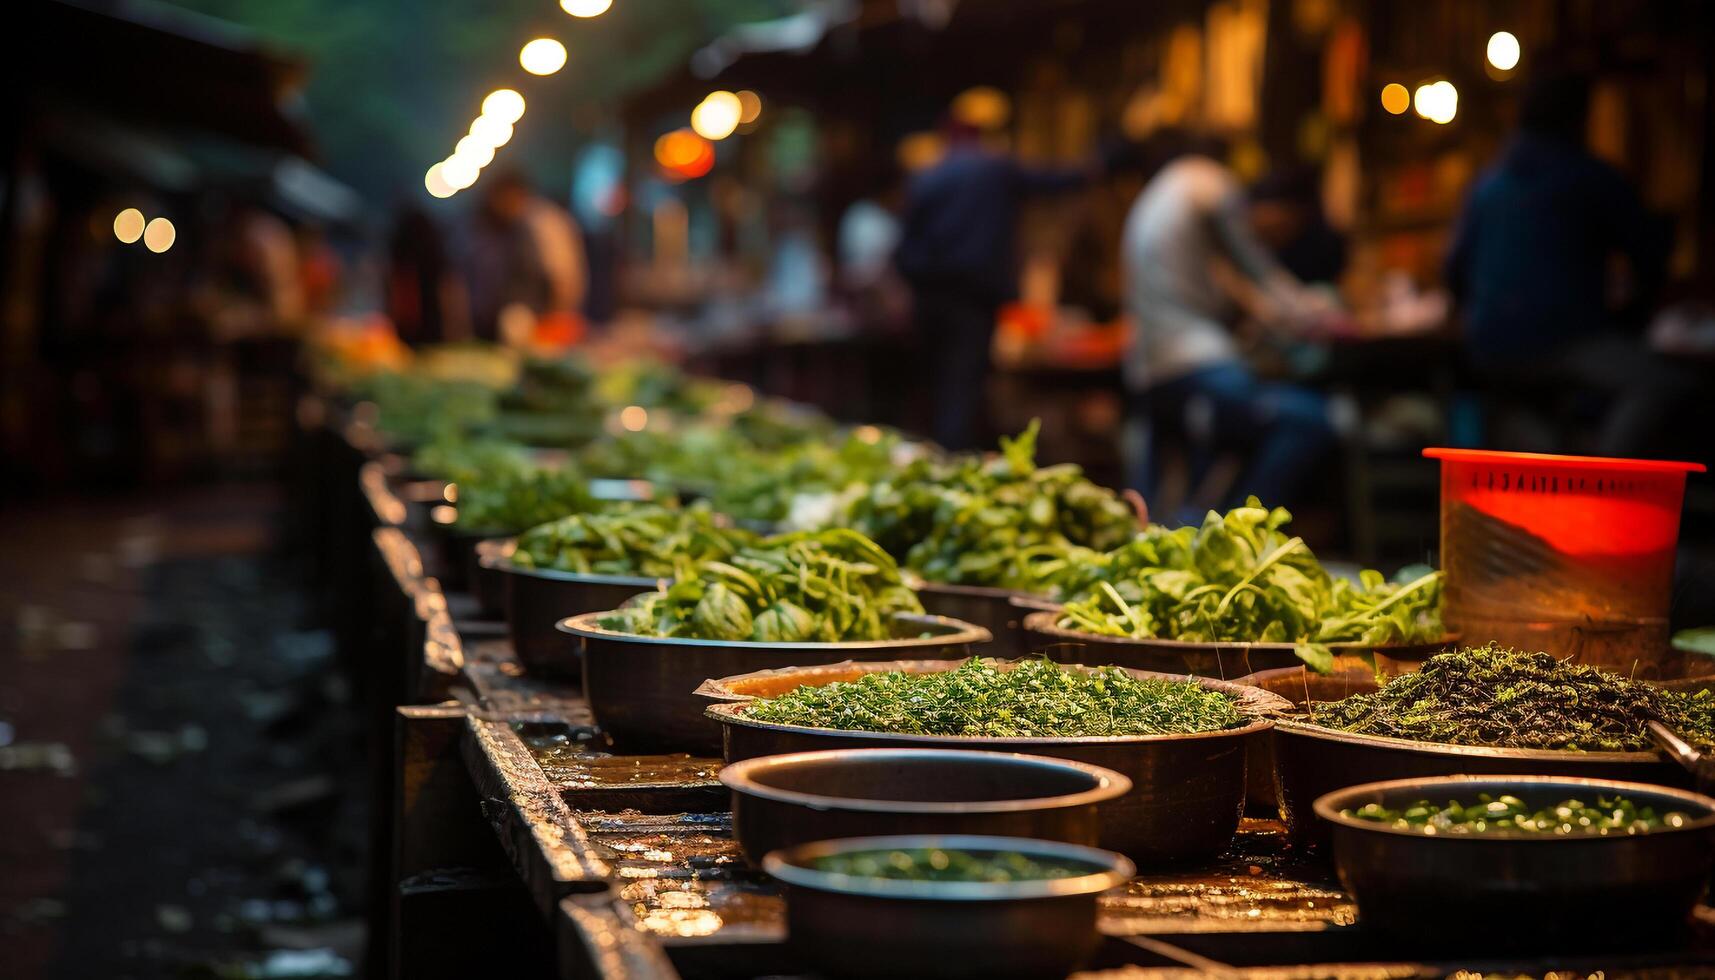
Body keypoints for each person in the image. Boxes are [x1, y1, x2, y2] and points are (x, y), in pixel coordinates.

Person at [1445, 69, 1691, 456]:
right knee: (1663, 383)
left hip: (1489, 344)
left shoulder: (1488, 185)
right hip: (1564, 340)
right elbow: (1651, 254)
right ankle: (1599, 483)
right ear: (1579, 119)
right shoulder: (1589, 176)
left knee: (1534, 405)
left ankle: (1564, 462)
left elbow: (1454, 271)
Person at [1119, 135, 1337, 518]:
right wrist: (1311, 310)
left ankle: (1210, 520)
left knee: (1221, 443)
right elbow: (1253, 264)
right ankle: (1239, 531)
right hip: (1194, 364)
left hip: (1148, 369)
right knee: (1311, 420)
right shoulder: (1211, 183)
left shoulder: (1162, 195)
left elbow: (1228, 284)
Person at [894, 119, 1090, 450]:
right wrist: (1098, 165)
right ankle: (954, 464)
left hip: (931, 298)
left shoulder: (929, 175)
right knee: (963, 385)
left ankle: (932, 460)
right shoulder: (993, 167)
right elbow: (1051, 181)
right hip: (971, 298)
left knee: (937, 384)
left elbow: (905, 247)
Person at [464, 169, 587, 345]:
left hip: (540, 321)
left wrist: (556, 319)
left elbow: (562, 279)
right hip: (513, 320)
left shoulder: (541, 222)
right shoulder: (504, 225)